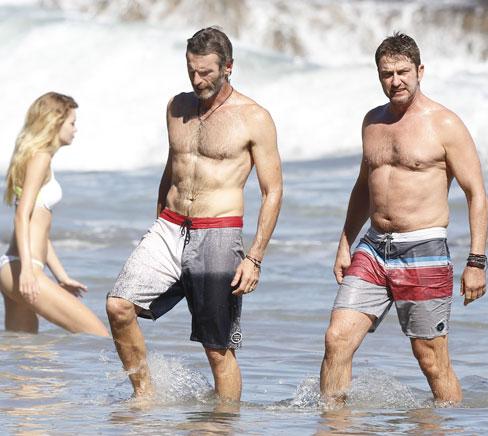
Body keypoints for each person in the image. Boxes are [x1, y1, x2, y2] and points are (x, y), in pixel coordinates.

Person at [106, 27, 283, 401]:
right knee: (118, 306)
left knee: (216, 349)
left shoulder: (254, 118)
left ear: (228, 67)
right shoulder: (176, 107)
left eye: (206, 72)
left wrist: (254, 257)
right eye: (192, 71)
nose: (198, 79)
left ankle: (223, 425)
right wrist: (157, 221)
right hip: (169, 227)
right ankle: (144, 396)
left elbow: (273, 191)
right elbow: (171, 169)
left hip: (218, 233)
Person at [319, 33, 488, 404]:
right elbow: (365, 185)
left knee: (430, 358)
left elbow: (476, 193)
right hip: (374, 247)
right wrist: (346, 240)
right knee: (337, 339)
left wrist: (476, 261)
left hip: (423, 248)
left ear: (419, 71)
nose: (394, 80)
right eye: (386, 73)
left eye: (402, 72)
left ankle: (448, 425)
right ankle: (333, 424)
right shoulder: (372, 123)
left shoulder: (444, 124)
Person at [0, 92, 109, 336]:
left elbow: (37, 229)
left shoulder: (32, 157)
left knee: (26, 358)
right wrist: (29, 270)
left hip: (13, 268)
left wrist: (61, 276)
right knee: (99, 336)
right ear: (55, 122)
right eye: (72, 123)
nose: (75, 129)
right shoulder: (41, 158)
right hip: (23, 269)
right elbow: (21, 215)